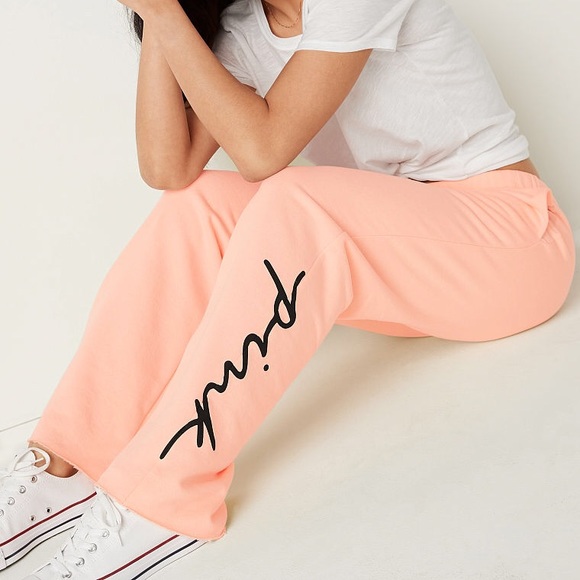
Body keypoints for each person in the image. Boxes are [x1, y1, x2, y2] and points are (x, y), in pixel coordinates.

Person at [0, 0, 575, 577]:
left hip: (514, 247)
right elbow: (168, 170)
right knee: (198, 205)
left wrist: (169, 18)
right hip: (404, 271)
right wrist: (160, 16)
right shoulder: (245, 30)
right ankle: (71, 461)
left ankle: (161, 499)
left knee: (296, 197)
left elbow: (263, 152)